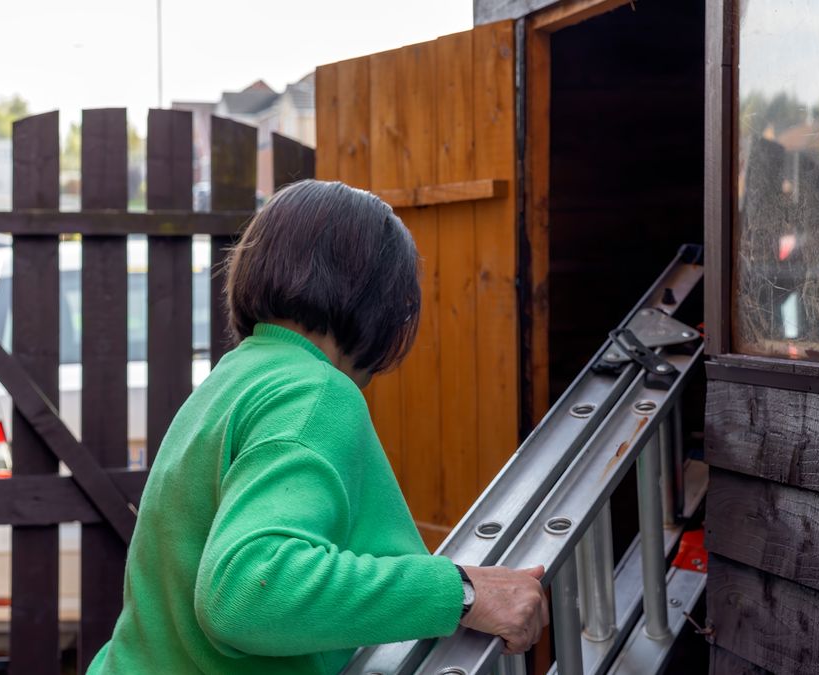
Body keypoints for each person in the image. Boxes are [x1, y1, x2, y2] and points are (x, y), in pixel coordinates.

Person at [89, 180, 549, 674]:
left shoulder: (236, 375)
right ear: (381, 302)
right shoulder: (315, 394)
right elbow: (247, 589)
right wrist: (463, 594)